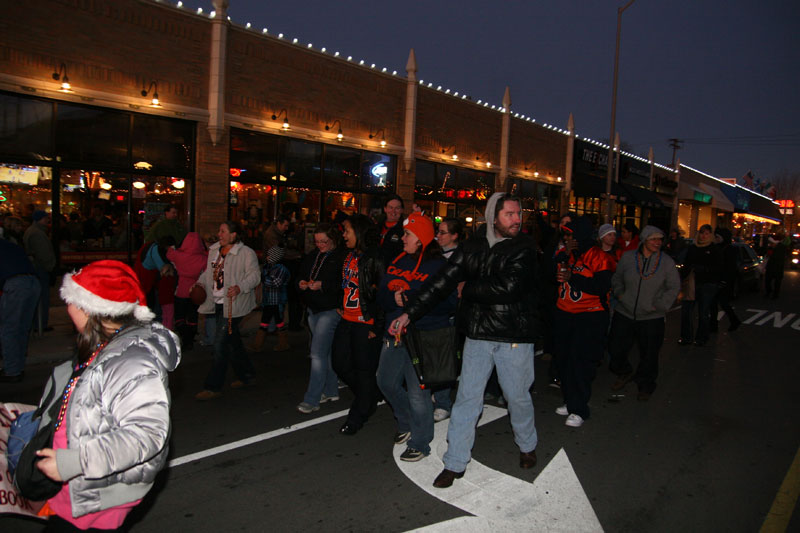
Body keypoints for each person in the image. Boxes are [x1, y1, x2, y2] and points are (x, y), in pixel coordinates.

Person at [13, 260, 180, 530]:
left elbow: (147, 434)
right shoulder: (104, 348)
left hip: (98, 494)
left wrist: (74, 461)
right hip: (76, 487)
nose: (68, 307)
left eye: (72, 301)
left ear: (92, 310)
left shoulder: (132, 362)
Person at [392, 192, 542, 488]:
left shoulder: (525, 246)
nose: (516, 219)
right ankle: (455, 462)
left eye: (518, 214)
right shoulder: (472, 246)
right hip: (477, 334)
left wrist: (468, 288)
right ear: (492, 216)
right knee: (466, 400)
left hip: (514, 335)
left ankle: (527, 444)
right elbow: (440, 282)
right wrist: (409, 313)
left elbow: (509, 287)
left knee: (517, 397)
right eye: (509, 214)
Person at [377, 213, 457, 461]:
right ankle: (407, 421)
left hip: (424, 335)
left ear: (421, 238)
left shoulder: (438, 266)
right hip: (395, 333)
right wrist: (394, 298)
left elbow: (450, 303)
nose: (402, 238)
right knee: (385, 382)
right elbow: (380, 296)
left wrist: (411, 301)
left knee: (418, 393)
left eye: (408, 234)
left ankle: (421, 443)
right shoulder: (398, 260)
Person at [552, 217, 616, 427]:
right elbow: (546, 273)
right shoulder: (567, 255)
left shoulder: (599, 257)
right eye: (565, 235)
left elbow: (601, 287)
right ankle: (570, 400)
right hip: (565, 313)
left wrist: (573, 277)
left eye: (571, 235)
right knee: (563, 361)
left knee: (581, 362)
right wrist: (562, 254)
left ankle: (579, 408)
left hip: (589, 316)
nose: (567, 238)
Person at [608, 226, 680, 401]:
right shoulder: (628, 257)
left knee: (649, 354)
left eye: (660, 239)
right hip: (624, 311)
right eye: (653, 239)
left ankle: (645, 385)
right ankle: (624, 371)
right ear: (644, 240)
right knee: (615, 347)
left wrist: (661, 305)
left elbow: (674, 286)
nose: (657, 243)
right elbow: (617, 278)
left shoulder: (666, 262)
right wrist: (620, 294)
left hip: (651, 317)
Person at [195, 221, 260, 400]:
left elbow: (254, 276)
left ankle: (213, 386)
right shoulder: (214, 251)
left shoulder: (246, 253)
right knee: (232, 342)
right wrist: (199, 284)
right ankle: (247, 375)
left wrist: (240, 287)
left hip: (233, 305)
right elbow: (208, 273)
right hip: (216, 302)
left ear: (234, 235)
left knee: (220, 344)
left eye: (223, 231)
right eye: (219, 230)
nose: (219, 234)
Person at [332, 214, 385, 435]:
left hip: (366, 323)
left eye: (347, 231)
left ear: (359, 233)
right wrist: (338, 302)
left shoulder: (375, 258)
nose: (344, 235)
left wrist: (377, 326)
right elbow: (343, 284)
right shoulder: (348, 256)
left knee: (364, 371)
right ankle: (369, 395)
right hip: (346, 319)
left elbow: (383, 295)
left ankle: (358, 416)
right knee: (339, 363)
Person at [296, 223, 345, 414]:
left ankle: (312, 398)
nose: (320, 245)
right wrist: (300, 282)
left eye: (324, 241)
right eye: (317, 241)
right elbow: (300, 274)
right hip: (313, 309)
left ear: (333, 240)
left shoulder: (340, 257)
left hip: (330, 309)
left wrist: (322, 285)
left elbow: (343, 284)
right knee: (325, 352)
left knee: (316, 354)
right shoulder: (312, 256)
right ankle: (331, 389)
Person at [430, 217, 465, 422]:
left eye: (443, 232)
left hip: (449, 313)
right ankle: (436, 393)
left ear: (455, 236)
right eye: (438, 231)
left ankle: (443, 402)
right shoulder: (434, 254)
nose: (438, 236)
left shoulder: (460, 257)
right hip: (433, 311)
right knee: (432, 355)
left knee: (444, 358)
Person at [0, 239, 41, 382]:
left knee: (9, 329)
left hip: (15, 285)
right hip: (33, 282)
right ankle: (18, 366)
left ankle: (12, 370)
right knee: (22, 328)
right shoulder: (10, 245)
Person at [679, 224, 722, 346]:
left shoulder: (714, 249)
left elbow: (718, 268)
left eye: (707, 233)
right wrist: (685, 275)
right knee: (686, 311)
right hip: (692, 283)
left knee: (703, 312)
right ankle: (686, 337)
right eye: (702, 233)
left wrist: (703, 269)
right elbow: (686, 263)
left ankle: (702, 337)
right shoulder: (693, 248)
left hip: (707, 284)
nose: (704, 236)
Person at [167, 231, 209, 350]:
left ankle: (184, 338)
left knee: (180, 316)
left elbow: (169, 254)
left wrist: (173, 247)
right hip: (195, 291)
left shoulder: (178, 255)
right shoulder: (203, 258)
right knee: (193, 316)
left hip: (180, 290)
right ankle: (190, 339)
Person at [23, 210, 56, 331]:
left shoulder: (34, 231)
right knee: (42, 298)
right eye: (45, 218)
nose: (47, 220)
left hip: (37, 268)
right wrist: (50, 266)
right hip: (40, 269)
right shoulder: (37, 233)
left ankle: (39, 324)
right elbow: (43, 254)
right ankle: (40, 324)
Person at [257, 245, 291, 352]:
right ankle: (257, 344)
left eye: (269, 256)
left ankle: (283, 343)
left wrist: (263, 278)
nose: (267, 257)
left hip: (277, 301)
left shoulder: (281, 269)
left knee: (279, 321)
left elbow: (275, 283)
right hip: (268, 300)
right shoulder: (268, 267)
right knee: (264, 321)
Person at [709, 228, 741, 332]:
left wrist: (724, 281)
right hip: (716, 279)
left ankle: (733, 320)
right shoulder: (716, 247)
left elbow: (730, 268)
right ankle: (714, 325)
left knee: (723, 303)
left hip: (724, 281)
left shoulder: (730, 250)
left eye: (718, 237)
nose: (716, 239)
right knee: (714, 303)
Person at [379, 194, 405, 264]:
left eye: (397, 208)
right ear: (385, 209)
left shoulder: (405, 231)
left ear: (402, 210)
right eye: (390, 207)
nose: (393, 211)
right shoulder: (377, 227)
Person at [764, 233, 787, 299]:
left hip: (777, 266)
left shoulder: (781, 248)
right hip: (772, 267)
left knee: (777, 282)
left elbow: (781, 257)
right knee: (768, 280)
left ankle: (775, 294)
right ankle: (769, 291)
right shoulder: (771, 247)